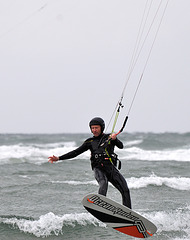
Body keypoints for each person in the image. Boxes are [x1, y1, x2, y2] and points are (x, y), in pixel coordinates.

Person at [48, 117, 132, 209]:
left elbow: (121, 146)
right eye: (92, 128)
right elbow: (75, 152)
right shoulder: (90, 142)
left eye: (96, 128)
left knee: (125, 189)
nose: (94, 130)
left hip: (110, 168)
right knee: (103, 183)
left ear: (101, 128)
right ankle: (101, 207)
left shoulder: (109, 137)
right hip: (98, 168)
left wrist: (115, 139)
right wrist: (59, 158)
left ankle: (128, 212)